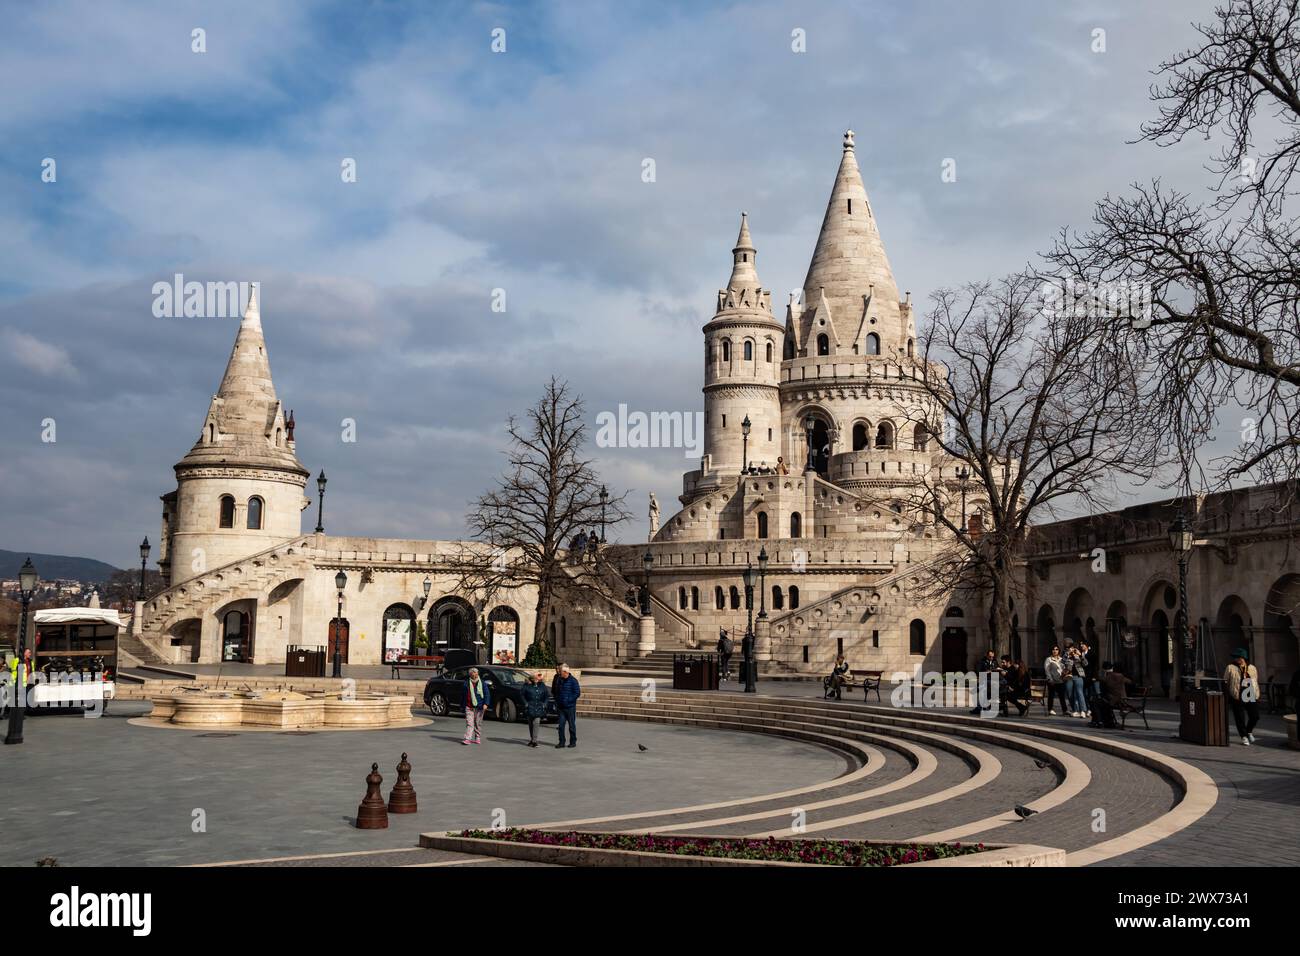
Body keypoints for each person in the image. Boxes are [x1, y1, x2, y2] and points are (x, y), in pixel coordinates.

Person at [1224, 648, 1261, 746]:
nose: (1237, 659)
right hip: (1237, 693)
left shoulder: (1252, 668)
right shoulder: (1230, 667)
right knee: (1240, 717)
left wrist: (1256, 694)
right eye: (1236, 657)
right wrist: (1229, 694)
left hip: (1250, 692)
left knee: (1255, 716)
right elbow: (1225, 681)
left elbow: (1255, 681)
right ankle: (1243, 736)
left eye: (1239, 657)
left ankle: (1248, 731)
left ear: (1244, 658)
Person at [553, 663, 581, 748]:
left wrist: (569, 700)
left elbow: (577, 693)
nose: (559, 673)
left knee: (571, 726)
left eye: (561, 671)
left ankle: (573, 741)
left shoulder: (573, 681)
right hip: (561, 707)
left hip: (570, 707)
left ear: (565, 672)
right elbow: (556, 691)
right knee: (561, 726)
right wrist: (557, 700)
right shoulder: (559, 679)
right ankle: (561, 742)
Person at [461, 667, 490, 745]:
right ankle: (468, 738)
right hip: (469, 706)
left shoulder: (482, 683)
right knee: (470, 723)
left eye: (476, 673)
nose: (475, 674)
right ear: (470, 674)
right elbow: (463, 695)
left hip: (479, 706)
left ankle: (477, 737)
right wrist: (462, 705)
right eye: (473, 673)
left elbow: (487, 694)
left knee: (478, 723)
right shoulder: (466, 683)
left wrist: (486, 704)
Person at [521, 672, 549, 748]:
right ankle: (532, 739)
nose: (537, 680)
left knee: (536, 723)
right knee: (531, 724)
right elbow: (522, 695)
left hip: (539, 707)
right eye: (535, 678)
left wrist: (544, 704)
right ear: (532, 678)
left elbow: (547, 696)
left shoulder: (542, 685)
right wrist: (526, 703)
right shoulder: (527, 685)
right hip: (530, 707)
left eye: (538, 678)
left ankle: (534, 741)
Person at [1043, 645, 1070, 716]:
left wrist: (1065, 674)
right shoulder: (1048, 659)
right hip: (1052, 681)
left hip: (1060, 680)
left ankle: (1065, 710)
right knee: (1051, 695)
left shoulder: (1061, 659)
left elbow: (1064, 669)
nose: (1055, 651)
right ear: (1051, 651)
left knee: (1062, 696)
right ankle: (1050, 709)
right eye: (1053, 649)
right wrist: (1050, 679)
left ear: (1059, 651)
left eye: (1056, 649)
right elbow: (1047, 670)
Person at [971, 649, 999, 714]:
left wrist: (998, 669)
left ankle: (980, 707)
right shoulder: (982, 661)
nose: (991, 658)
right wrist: (986, 672)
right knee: (982, 693)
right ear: (987, 655)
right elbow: (978, 671)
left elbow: (997, 667)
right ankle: (980, 707)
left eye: (992, 656)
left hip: (992, 681)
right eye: (990, 656)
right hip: (984, 680)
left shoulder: (995, 661)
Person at [1065, 646, 1088, 718]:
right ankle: (1075, 710)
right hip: (1069, 676)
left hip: (1078, 676)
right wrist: (1068, 655)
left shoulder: (1079, 655)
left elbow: (1086, 664)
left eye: (1073, 649)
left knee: (1079, 692)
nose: (1072, 650)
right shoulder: (1067, 655)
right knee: (1069, 694)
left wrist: (1080, 655)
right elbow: (1062, 662)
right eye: (1070, 649)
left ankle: (1083, 711)